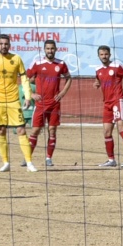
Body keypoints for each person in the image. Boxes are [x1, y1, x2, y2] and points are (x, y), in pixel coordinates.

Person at [0, 33, 33, 173]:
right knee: (1, 130)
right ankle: (5, 163)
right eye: (1, 44)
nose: (3, 46)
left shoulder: (16, 59)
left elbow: (24, 79)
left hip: (13, 101)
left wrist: (28, 96)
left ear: (10, 45)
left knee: (21, 130)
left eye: (6, 44)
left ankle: (29, 162)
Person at [26, 39, 72, 168]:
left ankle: (48, 158)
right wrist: (31, 94)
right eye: (48, 49)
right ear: (44, 50)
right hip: (40, 104)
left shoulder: (61, 64)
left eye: (52, 48)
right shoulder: (37, 63)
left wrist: (62, 93)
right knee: (35, 130)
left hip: (54, 104)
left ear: (56, 49)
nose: (50, 51)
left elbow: (69, 78)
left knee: (52, 131)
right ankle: (28, 158)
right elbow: (26, 79)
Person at [93, 45, 123, 168]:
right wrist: (97, 84)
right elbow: (99, 80)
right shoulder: (97, 69)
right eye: (102, 54)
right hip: (107, 103)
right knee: (107, 132)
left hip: (118, 100)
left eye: (106, 54)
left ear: (110, 55)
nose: (104, 56)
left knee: (121, 128)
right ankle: (111, 160)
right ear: (98, 56)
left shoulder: (117, 66)